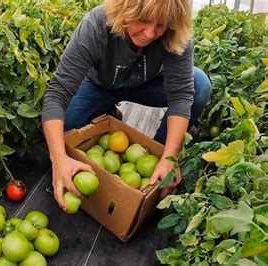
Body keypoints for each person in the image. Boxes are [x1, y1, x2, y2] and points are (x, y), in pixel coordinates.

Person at [42, 0, 211, 211]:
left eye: (161, 25)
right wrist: (58, 158)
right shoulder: (97, 24)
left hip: (149, 86)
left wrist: (170, 156)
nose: (149, 33)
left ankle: (157, 157)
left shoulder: (175, 33)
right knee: (66, 128)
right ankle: (108, 112)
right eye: (143, 20)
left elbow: (181, 95)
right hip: (100, 86)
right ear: (124, 9)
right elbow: (57, 93)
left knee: (200, 86)